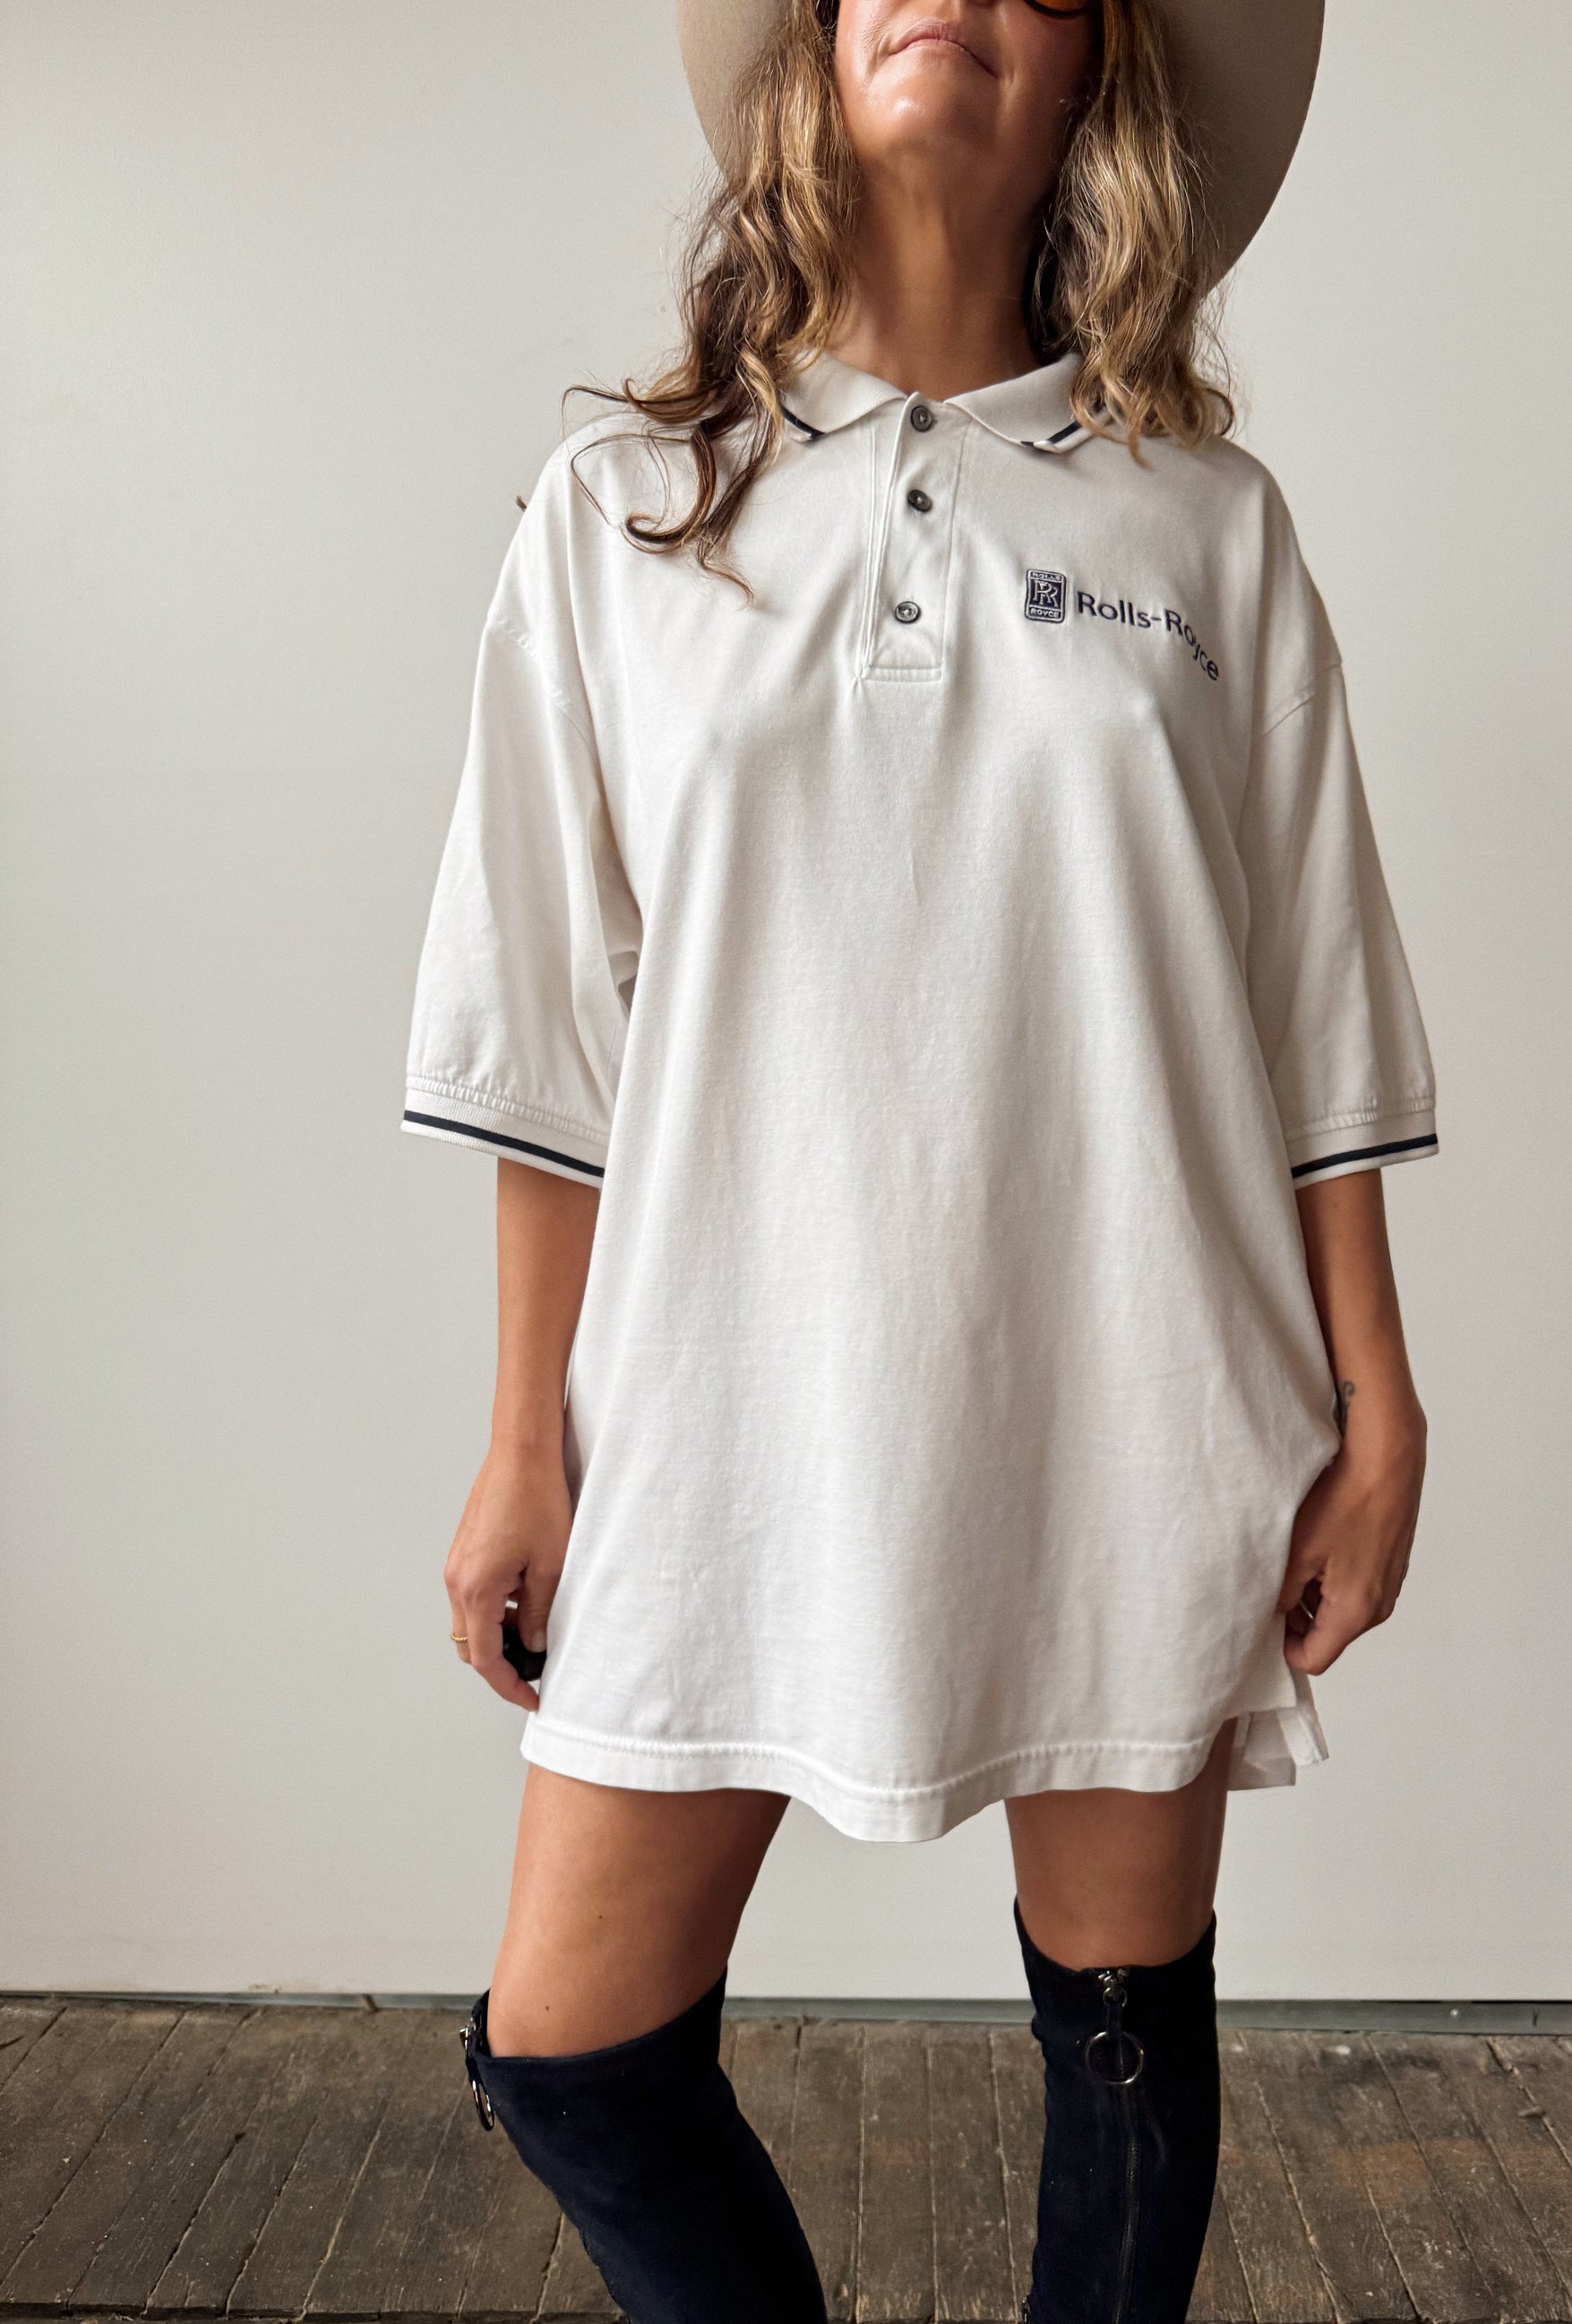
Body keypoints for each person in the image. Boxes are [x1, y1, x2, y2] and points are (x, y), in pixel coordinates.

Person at [402, 1, 1436, 2316]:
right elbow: (541, 1030)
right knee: (572, 2050)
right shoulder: (623, 511)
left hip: (1135, 1373)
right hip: (723, 1379)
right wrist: (523, 1436)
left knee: (1122, 2044)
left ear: (1094, 82)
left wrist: (1376, 1396)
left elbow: (1320, 997)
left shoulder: (1205, 521)